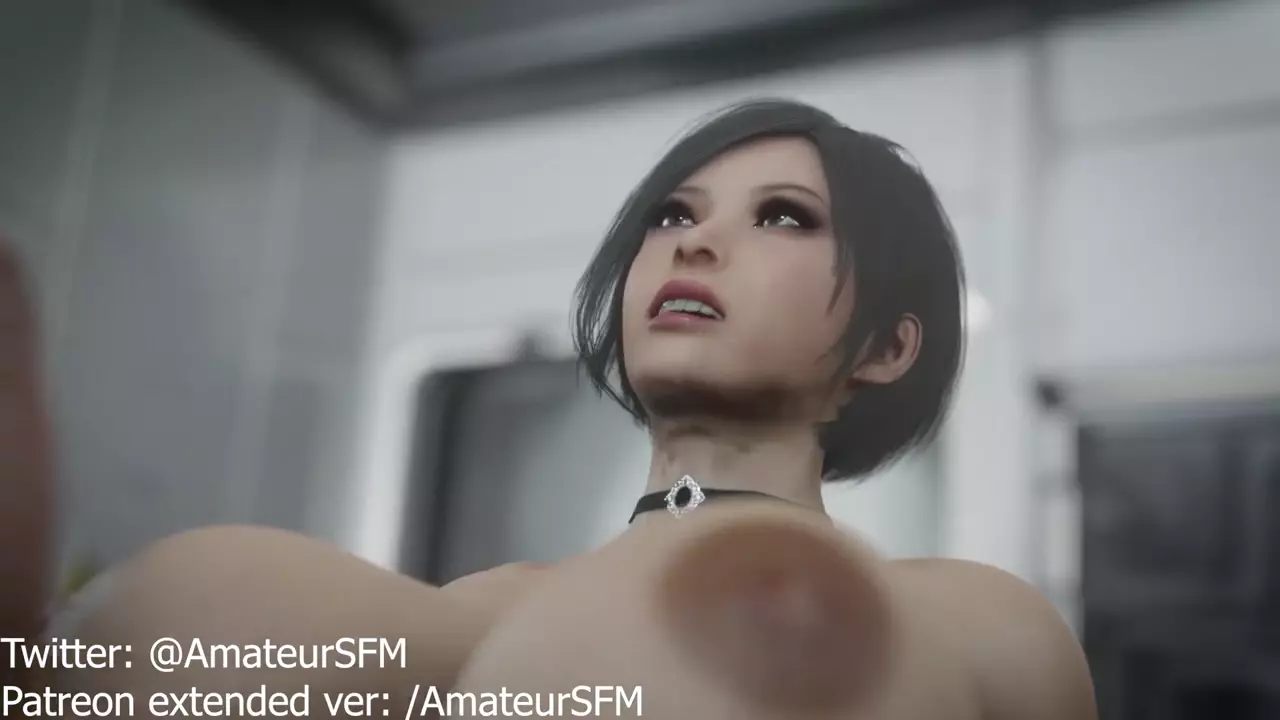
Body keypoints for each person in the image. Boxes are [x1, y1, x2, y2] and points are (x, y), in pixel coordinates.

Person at [8, 99, 1095, 718]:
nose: (693, 242)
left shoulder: (982, 625)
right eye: (673, 214)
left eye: (781, 217)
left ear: (888, 345)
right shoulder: (462, 618)